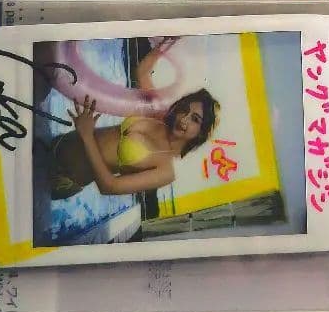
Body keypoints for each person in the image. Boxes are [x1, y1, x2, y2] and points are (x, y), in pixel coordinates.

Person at [46, 40, 219, 200]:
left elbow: (109, 186)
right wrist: (166, 43)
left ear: (201, 133)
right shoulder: (157, 115)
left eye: (195, 119)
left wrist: (87, 135)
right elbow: (142, 72)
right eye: (185, 110)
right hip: (60, 143)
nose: (184, 119)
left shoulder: (165, 171)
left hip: (64, 178)